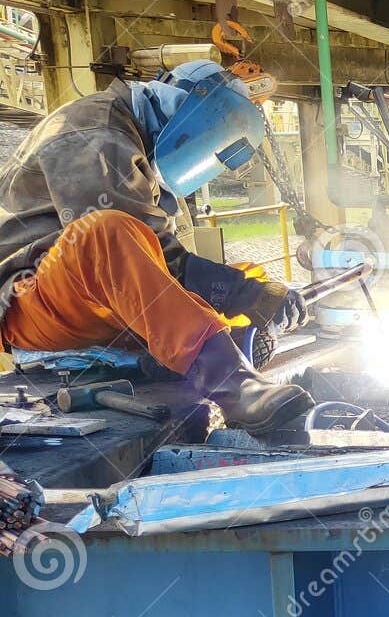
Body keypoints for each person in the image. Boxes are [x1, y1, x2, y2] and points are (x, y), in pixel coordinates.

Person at [0, 61, 312, 431]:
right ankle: (230, 383)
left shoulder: (135, 143)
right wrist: (243, 294)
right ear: (190, 110)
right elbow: (128, 251)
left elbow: (158, 265)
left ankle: (225, 342)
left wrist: (253, 290)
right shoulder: (93, 130)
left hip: (95, 300)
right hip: (33, 301)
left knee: (247, 276)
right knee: (108, 231)